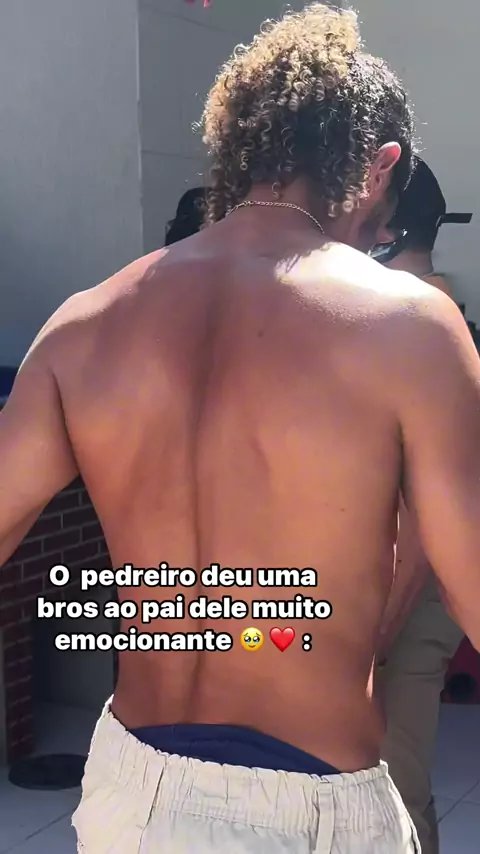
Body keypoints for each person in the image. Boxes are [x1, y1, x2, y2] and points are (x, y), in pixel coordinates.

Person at [1, 4, 480, 852]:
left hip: (129, 795)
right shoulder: (414, 329)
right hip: (310, 808)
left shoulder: (82, 323)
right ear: (379, 168)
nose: (382, 237)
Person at [372, 156, 472, 854]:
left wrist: (370, 643)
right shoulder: (428, 318)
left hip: (403, 605)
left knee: (393, 796)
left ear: (385, 230)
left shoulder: (412, 327)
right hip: (399, 598)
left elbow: (414, 520)